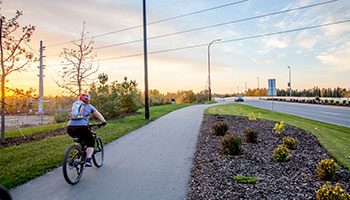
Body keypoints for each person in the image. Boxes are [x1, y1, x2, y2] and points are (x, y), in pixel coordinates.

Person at [67, 94, 106, 167]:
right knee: (90, 142)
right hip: (82, 127)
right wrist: (103, 122)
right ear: (88, 100)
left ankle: (79, 154)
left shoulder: (75, 105)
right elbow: (98, 115)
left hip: (70, 128)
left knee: (79, 140)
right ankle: (88, 160)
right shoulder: (89, 106)